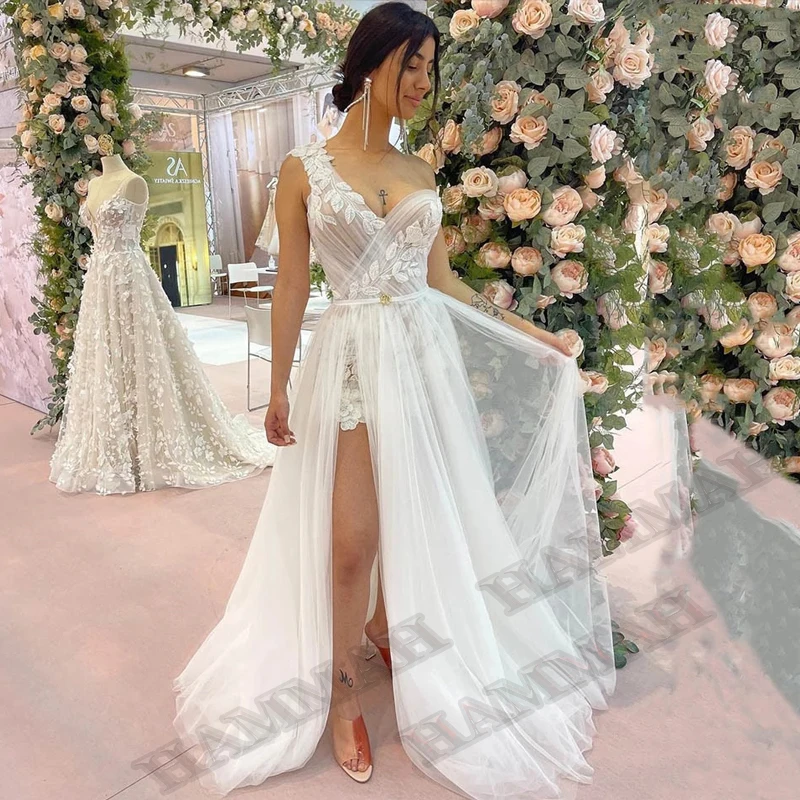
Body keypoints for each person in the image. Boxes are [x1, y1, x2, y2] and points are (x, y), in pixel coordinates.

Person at [172, 4, 616, 798]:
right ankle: (343, 694)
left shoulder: (419, 174)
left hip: (421, 361)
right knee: (351, 544)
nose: (422, 81)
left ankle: (384, 628)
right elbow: (294, 282)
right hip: (347, 360)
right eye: (411, 63)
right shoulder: (303, 168)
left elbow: (444, 284)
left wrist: (535, 334)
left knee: (426, 518)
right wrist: (276, 387)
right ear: (370, 61)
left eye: (430, 67)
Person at [50, 154, 274, 494]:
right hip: (99, 282)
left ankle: (150, 445)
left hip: (128, 278)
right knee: (107, 357)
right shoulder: (94, 185)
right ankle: (119, 445)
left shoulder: (133, 183)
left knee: (140, 353)